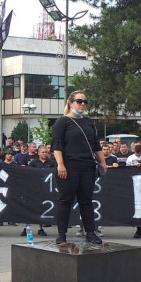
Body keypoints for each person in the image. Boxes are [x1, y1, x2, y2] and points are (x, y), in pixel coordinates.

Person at [51, 91, 107, 245]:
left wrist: (102, 162)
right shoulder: (62, 122)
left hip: (87, 166)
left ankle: (90, 233)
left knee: (86, 201)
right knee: (65, 201)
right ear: (70, 103)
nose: (83, 104)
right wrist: (60, 165)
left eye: (85, 101)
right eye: (79, 101)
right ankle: (61, 235)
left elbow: (96, 144)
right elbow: (57, 145)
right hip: (68, 166)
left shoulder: (88, 122)